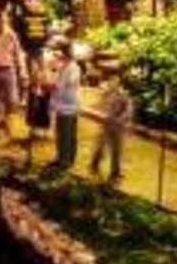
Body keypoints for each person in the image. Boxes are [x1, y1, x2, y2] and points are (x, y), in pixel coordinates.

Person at [90, 75, 133, 183]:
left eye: (114, 82)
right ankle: (94, 165)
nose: (112, 84)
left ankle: (115, 172)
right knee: (100, 146)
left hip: (118, 126)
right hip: (106, 124)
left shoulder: (123, 95)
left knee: (117, 150)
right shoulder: (106, 94)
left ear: (118, 84)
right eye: (111, 82)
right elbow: (100, 105)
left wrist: (121, 119)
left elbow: (128, 110)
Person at [51, 43, 84, 171]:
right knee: (61, 132)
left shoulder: (74, 68)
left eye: (60, 53)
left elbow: (68, 84)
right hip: (61, 104)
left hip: (69, 105)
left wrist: (54, 85)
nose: (58, 56)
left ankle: (66, 160)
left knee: (67, 133)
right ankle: (61, 157)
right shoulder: (63, 66)